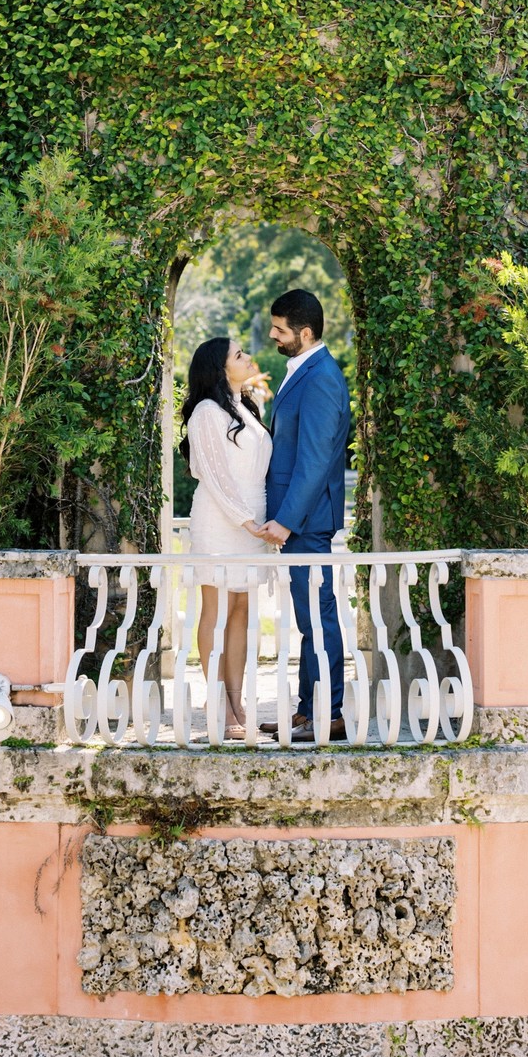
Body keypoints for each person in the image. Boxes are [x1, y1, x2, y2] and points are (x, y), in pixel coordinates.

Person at [260, 287, 351, 740]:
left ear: (306, 332)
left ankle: (329, 715)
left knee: (318, 616)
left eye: (280, 330)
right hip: (302, 520)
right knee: (308, 618)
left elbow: (314, 460)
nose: (273, 336)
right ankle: (306, 710)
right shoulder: (303, 370)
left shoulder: (321, 377)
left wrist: (286, 520)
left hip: (308, 521)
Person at [180, 335, 273, 736]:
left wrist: (262, 523)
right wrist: (246, 521)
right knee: (216, 611)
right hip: (221, 520)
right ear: (220, 368)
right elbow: (216, 477)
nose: (248, 357)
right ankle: (218, 702)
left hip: (254, 522)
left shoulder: (246, 407)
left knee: (242, 612)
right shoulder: (206, 412)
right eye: (239, 354)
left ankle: (237, 700)